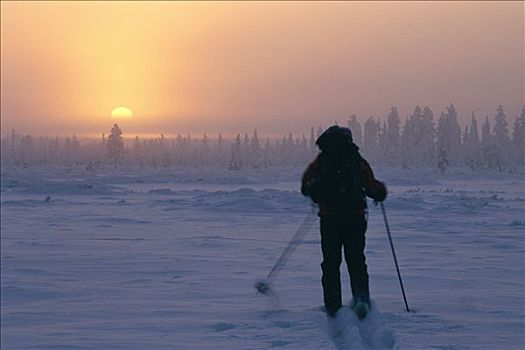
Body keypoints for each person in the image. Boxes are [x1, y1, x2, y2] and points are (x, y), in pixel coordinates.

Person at [301, 125, 387, 318]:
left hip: (329, 218)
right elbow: (371, 186)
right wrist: (380, 192)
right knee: (356, 260)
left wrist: (320, 193)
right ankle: (361, 301)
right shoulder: (356, 160)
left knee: (331, 263)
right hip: (355, 218)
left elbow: (306, 185)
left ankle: (332, 306)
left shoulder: (322, 161)